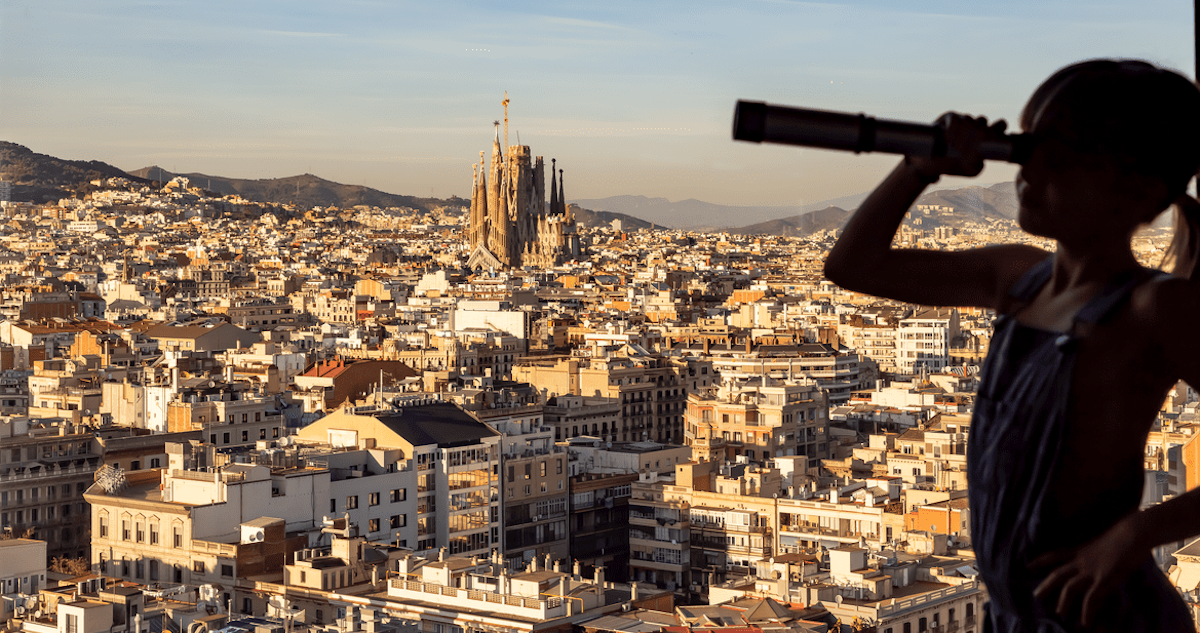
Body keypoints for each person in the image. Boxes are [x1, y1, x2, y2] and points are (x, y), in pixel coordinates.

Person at [823, 59, 1200, 632]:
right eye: (1026, 151)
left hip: (1106, 616)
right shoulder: (1017, 278)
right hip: (1019, 615)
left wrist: (1136, 533)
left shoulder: (1154, 308)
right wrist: (919, 167)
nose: (1027, 174)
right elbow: (853, 266)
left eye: (1060, 160)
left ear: (1139, 191)